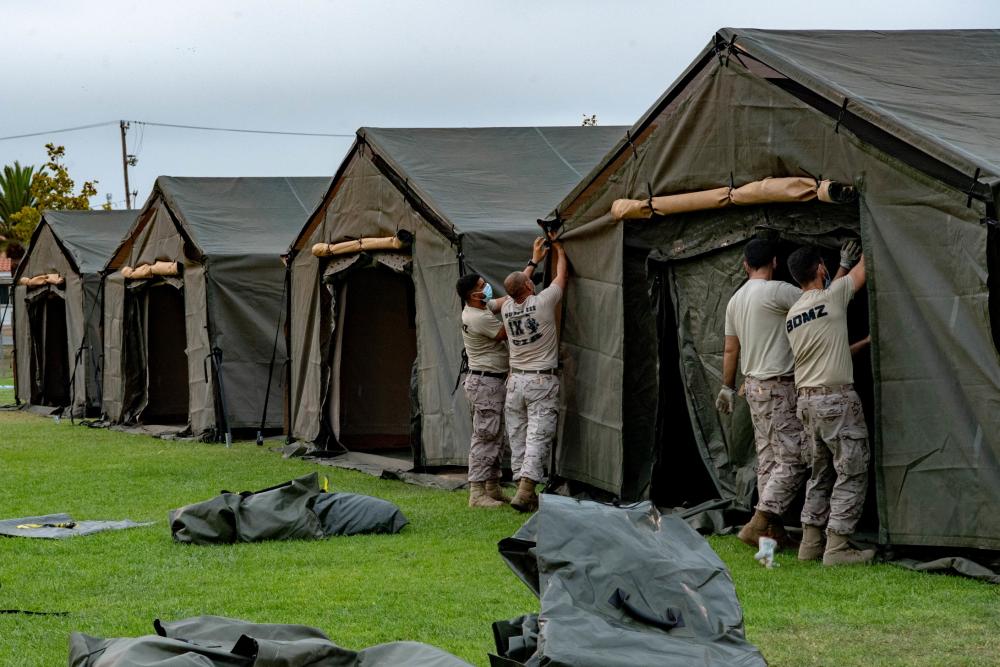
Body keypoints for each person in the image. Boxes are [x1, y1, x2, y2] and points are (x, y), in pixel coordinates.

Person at [785, 244, 875, 565]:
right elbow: (863, 271)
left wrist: (862, 344)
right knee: (852, 470)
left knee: (820, 472)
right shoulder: (832, 297)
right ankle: (837, 548)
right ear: (821, 269)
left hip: (807, 403)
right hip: (837, 400)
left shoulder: (793, 314)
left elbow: (828, 348)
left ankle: (809, 544)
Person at [716, 239, 808, 549]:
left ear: (745, 265)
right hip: (778, 386)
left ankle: (773, 530)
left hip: (752, 387)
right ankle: (759, 521)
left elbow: (731, 348)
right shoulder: (778, 291)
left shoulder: (735, 300)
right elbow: (816, 303)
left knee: (769, 459)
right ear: (775, 262)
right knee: (794, 458)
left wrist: (726, 388)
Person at [456, 238, 548, 508]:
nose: (486, 290)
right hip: (485, 382)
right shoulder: (477, 317)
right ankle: (477, 493)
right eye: (482, 287)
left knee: (495, 435)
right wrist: (527, 306)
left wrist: (532, 264)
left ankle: (492, 487)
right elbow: (506, 324)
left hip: (489, 381)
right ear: (474, 295)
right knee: (485, 436)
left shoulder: (480, 307)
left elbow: (509, 298)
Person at [493, 237, 567, 512]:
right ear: (528, 286)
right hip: (540, 380)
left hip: (515, 382)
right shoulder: (543, 302)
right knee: (538, 433)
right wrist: (559, 250)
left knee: (518, 433)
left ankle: (523, 488)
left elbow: (510, 291)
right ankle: (526, 489)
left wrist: (533, 260)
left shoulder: (506, 307)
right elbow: (562, 276)